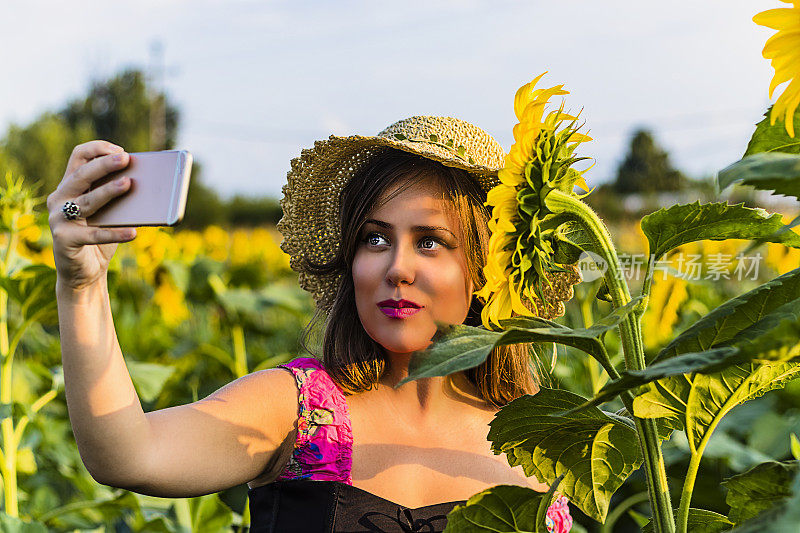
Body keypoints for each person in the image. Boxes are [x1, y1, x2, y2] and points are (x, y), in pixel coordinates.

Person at [48, 116, 580, 532]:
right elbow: (129, 453)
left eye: (429, 241)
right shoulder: (302, 409)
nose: (397, 267)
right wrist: (82, 286)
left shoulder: (541, 446)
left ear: (488, 266)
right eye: (375, 238)